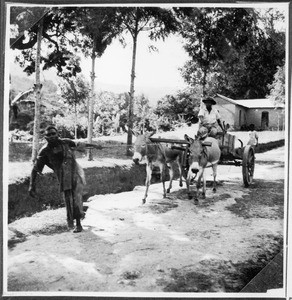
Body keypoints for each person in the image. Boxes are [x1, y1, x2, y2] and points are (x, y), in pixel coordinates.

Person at [28, 125, 102, 233]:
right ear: (45, 137)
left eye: (54, 133)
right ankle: (75, 219)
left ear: (58, 134)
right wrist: (31, 185)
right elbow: (35, 170)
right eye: (49, 135)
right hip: (63, 177)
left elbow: (80, 145)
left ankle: (79, 223)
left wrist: (94, 145)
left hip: (74, 173)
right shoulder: (44, 151)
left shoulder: (66, 142)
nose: (52, 136)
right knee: (69, 199)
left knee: (76, 196)